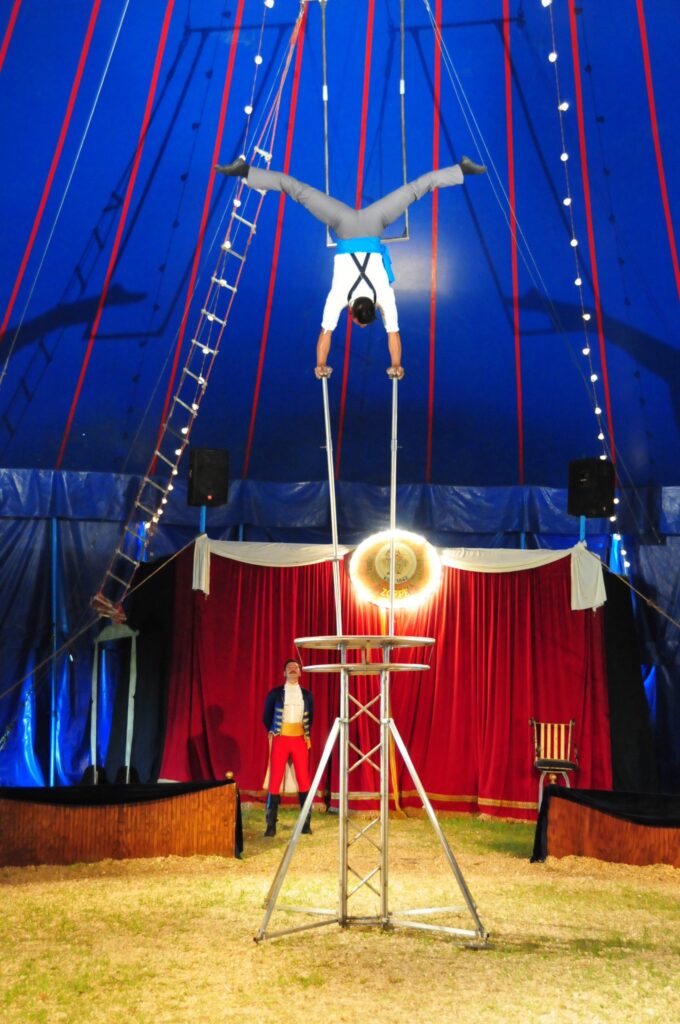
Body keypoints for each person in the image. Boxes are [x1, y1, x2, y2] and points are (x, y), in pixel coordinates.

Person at [215, 157, 486, 379]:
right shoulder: (339, 297)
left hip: (373, 223)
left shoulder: (384, 297)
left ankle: (461, 169)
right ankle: (245, 172)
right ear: (352, 314)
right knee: (297, 191)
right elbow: (326, 333)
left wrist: (397, 364)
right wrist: (320, 364)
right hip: (344, 225)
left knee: (416, 189)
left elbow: (393, 334)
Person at [261, 658, 314, 838]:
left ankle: (306, 824)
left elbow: (311, 719)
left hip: (299, 739)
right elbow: (266, 717)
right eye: (289, 667)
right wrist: (277, 731)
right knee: (275, 779)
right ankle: (270, 825)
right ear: (284, 673)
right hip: (281, 738)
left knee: (304, 779)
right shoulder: (275, 694)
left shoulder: (307, 695)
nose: (292, 669)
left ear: (300, 672)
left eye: (295, 667)